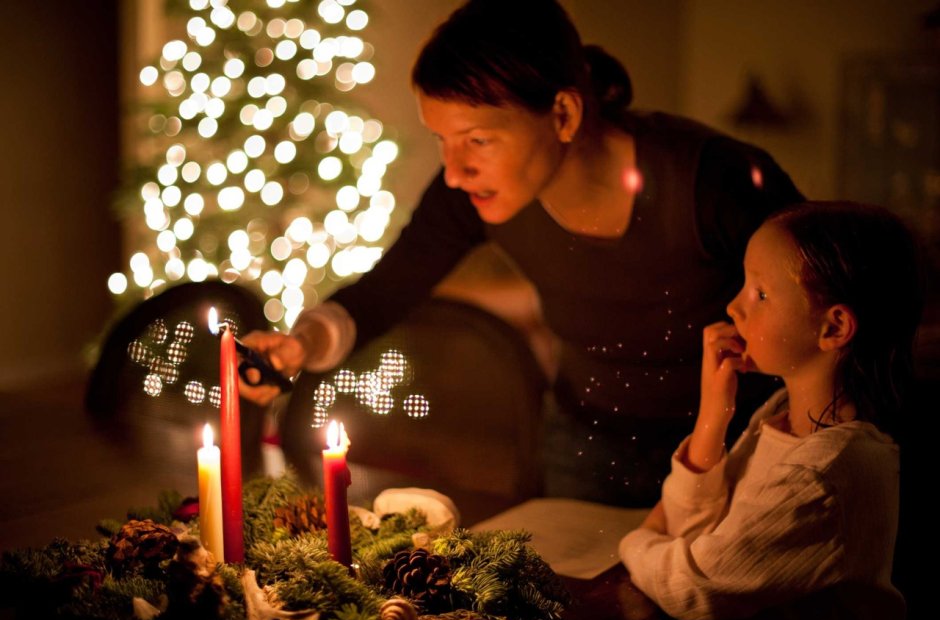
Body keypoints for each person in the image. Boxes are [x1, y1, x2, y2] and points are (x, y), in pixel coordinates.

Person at [241, 0, 803, 505]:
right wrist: (301, 344)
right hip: (585, 443)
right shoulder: (472, 195)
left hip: (740, 443)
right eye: (443, 141)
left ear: (563, 115)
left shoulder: (715, 184)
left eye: (478, 140)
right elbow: (388, 289)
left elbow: (828, 307)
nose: (456, 172)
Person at [619, 202, 920, 620]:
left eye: (760, 294)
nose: (733, 308)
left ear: (832, 328)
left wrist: (635, 542)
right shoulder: (781, 415)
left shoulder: (821, 476)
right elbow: (691, 536)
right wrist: (713, 416)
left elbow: (692, 588)